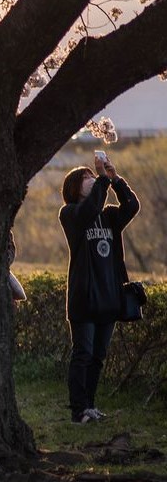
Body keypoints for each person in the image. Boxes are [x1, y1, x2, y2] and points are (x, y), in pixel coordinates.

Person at [58, 151, 139, 424]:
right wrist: (102, 182)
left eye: (92, 175)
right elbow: (89, 209)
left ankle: (90, 406)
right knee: (83, 354)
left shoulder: (109, 216)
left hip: (109, 298)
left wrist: (115, 180)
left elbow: (131, 206)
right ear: (73, 188)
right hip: (84, 300)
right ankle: (78, 410)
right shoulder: (71, 214)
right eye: (86, 177)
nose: (92, 179)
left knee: (98, 357)